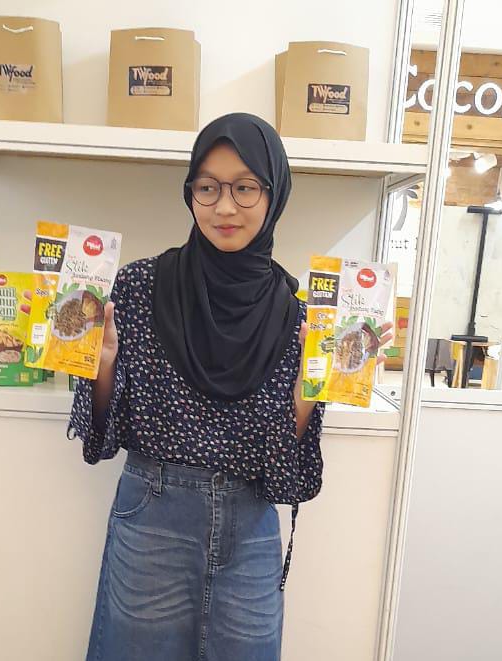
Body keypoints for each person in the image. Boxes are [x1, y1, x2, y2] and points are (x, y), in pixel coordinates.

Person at [67, 112, 392, 661]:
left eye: (245, 188)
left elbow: (284, 476)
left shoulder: (299, 316)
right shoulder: (139, 287)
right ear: (189, 191)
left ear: (274, 193)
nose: (224, 207)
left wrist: (306, 396)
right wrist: (102, 366)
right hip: (153, 518)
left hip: (251, 523)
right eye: (208, 187)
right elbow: (101, 441)